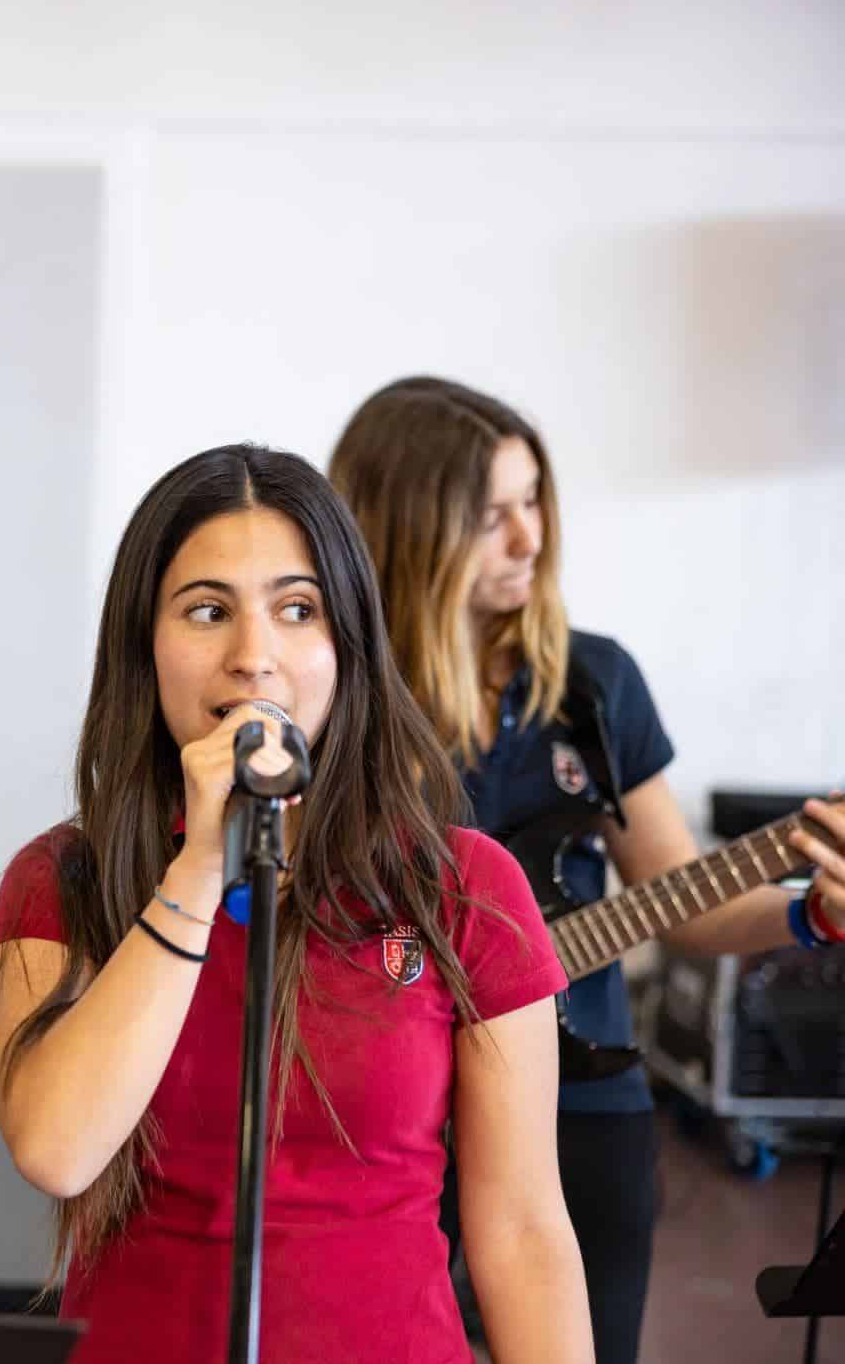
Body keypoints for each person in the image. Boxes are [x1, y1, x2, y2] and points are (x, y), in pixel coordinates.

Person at [0, 445, 593, 1363]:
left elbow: (524, 1233)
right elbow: (57, 1149)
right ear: (144, 648)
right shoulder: (61, 879)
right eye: (207, 611)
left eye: (296, 610)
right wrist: (198, 863)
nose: (252, 658)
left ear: (345, 646)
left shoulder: (465, 886)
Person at [328, 375, 845, 1364]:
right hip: (389, 1111)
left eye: (533, 501)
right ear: (406, 527)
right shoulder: (339, 698)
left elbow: (687, 902)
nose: (530, 538)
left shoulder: (594, 683)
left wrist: (809, 915)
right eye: (491, 516)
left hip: (582, 1105)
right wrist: (411, 975)